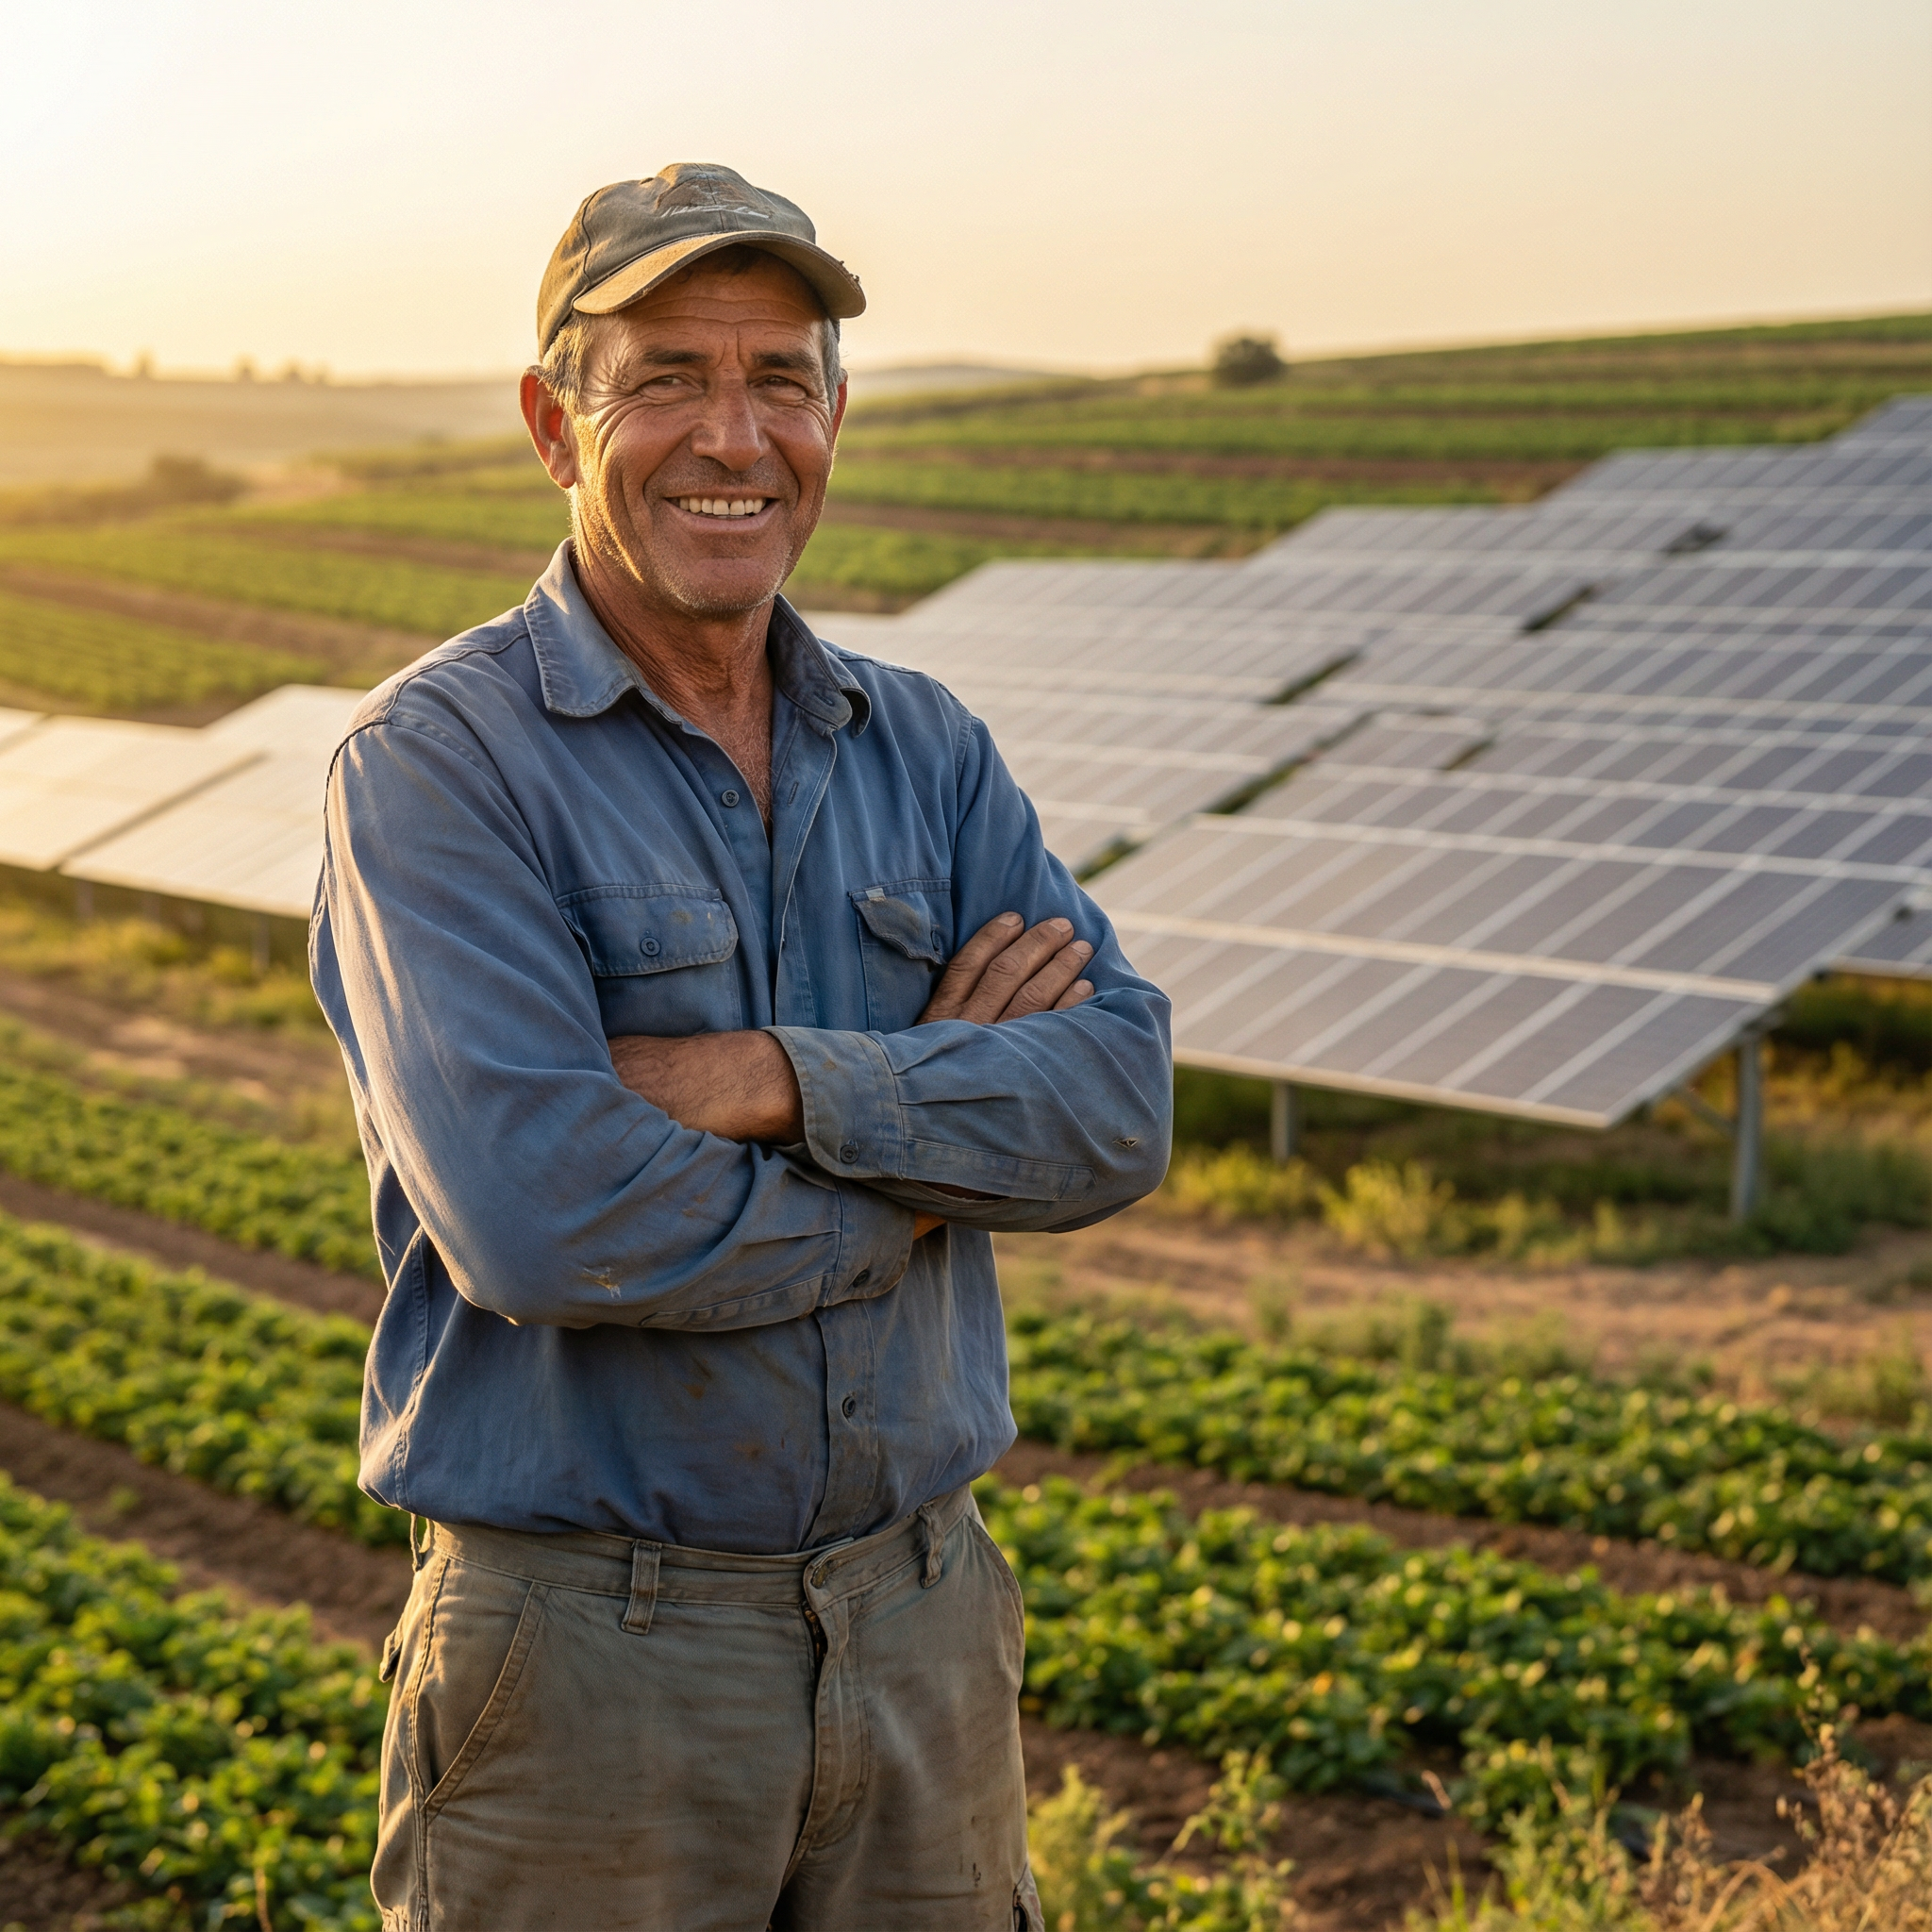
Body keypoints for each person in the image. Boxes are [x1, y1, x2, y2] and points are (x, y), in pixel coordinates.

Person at [312, 161, 1172, 1932]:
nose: (735, 435)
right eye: (667, 380)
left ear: (834, 420)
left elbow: (1118, 1102)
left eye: (782, 378)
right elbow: (547, 1220)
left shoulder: (925, 748)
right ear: (554, 426)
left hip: (923, 1620)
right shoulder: (440, 765)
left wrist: (772, 1079)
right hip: (591, 1661)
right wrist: (925, 1174)